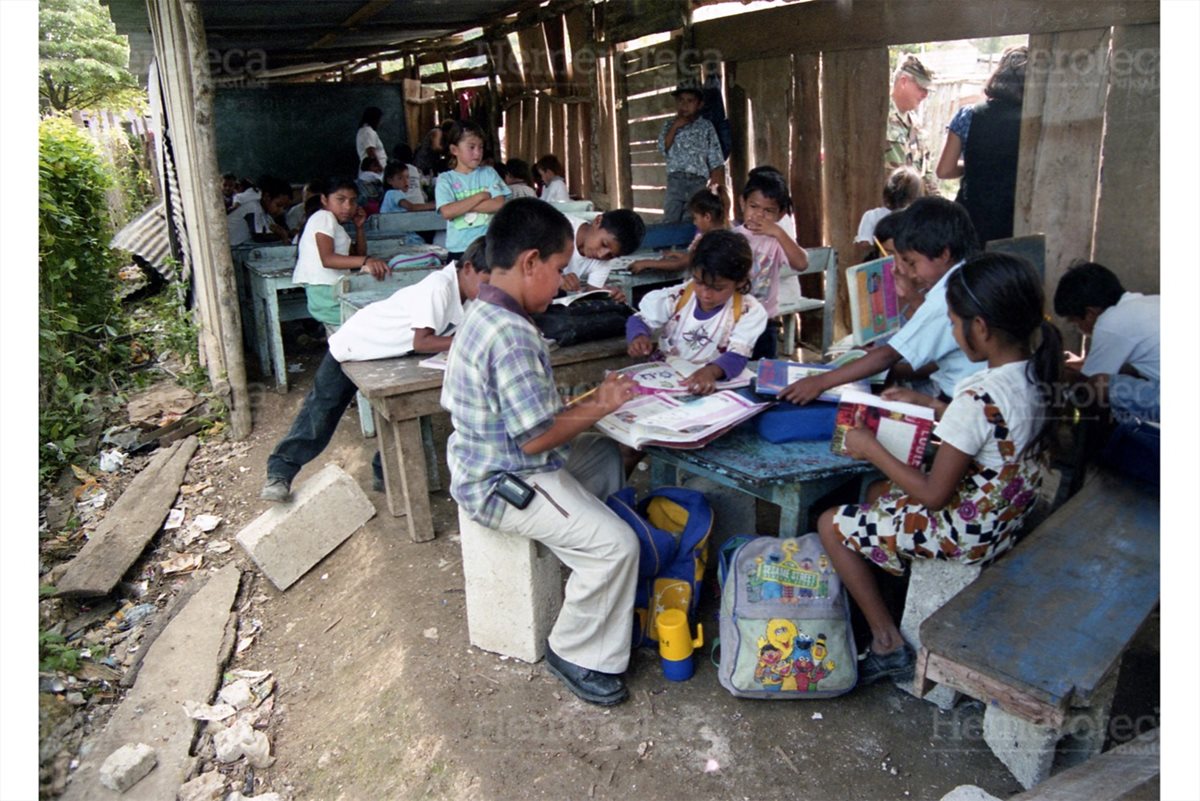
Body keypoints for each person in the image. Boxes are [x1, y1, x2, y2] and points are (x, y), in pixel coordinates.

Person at [815, 253, 1061, 684]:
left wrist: (869, 446)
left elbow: (933, 495)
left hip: (966, 533)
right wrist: (931, 404)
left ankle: (887, 641)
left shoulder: (976, 397)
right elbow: (995, 432)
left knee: (830, 523)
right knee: (875, 495)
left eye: (952, 321)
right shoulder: (1034, 375)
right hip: (1001, 519)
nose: (951, 330)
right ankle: (891, 590)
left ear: (979, 327)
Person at [440, 197, 641, 706]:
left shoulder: (484, 310)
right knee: (618, 547)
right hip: (504, 481)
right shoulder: (510, 333)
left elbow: (532, 419)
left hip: (490, 457)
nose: (561, 282)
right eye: (558, 269)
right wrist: (601, 400)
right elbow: (535, 438)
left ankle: (593, 573)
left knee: (608, 455)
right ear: (530, 262)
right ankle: (575, 650)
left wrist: (594, 411)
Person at [261, 240, 491, 502]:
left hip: (391, 355)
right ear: (469, 268)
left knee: (402, 408)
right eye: (488, 281)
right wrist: (475, 342)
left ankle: (385, 474)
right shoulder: (440, 287)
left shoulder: (468, 294)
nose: (490, 291)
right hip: (356, 346)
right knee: (321, 413)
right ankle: (280, 471)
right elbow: (423, 341)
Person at [779, 196, 983, 406]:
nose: (910, 273)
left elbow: (889, 355)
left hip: (964, 399)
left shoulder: (946, 295)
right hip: (964, 394)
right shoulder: (968, 276)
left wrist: (820, 382)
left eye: (913, 263)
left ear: (943, 255)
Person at [627, 229, 768, 395]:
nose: (705, 294)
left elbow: (737, 357)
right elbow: (639, 320)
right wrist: (638, 336)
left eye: (717, 288)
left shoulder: (748, 311)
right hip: (668, 376)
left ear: (740, 282)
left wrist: (710, 372)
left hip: (712, 383)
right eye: (699, 282)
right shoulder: (678, 297)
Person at [936, 46, 1028, 245]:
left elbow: (944, 170)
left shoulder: (968, 115)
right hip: (1016, 222)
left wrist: (977, 163)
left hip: (971, 221)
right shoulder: (1035, 122)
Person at [1053, 262, 1159, 423]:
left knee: (1099, 387)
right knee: (1126, 373)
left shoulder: (1110, 323)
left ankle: (1096, 446)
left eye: (1075, 322)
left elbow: (1089, 384)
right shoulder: (1152, 302)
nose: (1079, 328)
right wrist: (1082, 364)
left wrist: (1064, 374)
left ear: (1089, 313)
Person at [291, 177, 390, 327]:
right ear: (324, 199)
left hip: (331, 291)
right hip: (325, 293)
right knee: (375, 320)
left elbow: (356, 256)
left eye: (353, 201)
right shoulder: (323, 217)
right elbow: (328, 259)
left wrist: (359, 228)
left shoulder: (334, 224)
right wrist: (367, 260)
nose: (348, 206)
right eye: (340, 200)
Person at [732, 168, 808, 360]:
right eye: (754, 206)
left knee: (762, 375)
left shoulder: (776, 240)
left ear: (780, 214)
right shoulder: (732, 238)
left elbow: (801, 264)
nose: (759, 215)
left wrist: (779, 233)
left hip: (765, 321)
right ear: (742, 203)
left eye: (768, 211)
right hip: (732, 319)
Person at [434, 121, 512, 262]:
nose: (477, 153)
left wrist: (460, 206)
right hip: (459, 250)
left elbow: (498, 204)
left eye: (480, 147)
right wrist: (479, 196)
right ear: (454, 150)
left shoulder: (488, 173)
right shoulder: (445, 179)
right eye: (471, 147)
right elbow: (447, 212)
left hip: (487, 246)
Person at [658, 81, 727, 224]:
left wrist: (715, 183)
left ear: (700, 104)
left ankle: (689, 246)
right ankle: (666, 247)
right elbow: (662, 149)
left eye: (690, 101)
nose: (685, 105)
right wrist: (675, 127)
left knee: (693, 218)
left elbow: (715, 157)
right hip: (676, 180)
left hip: (698, 182)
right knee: (671, 216)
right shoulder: (669, 125)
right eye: (681, 100)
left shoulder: (706, 127)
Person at [628, 189, 725, 274]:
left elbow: (679, 264)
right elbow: (693, 258)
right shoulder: (723, 237)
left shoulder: (709, 242)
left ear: (707, 217)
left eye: (695, 218)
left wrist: (645, 263)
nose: (694, 223)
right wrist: (678, 254)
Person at [559, 209, 646, 300]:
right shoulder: (556, 228)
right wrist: (556, 280)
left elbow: (592, 296)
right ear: (598, 221)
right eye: (604, 244)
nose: (601, 255)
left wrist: (607, 296)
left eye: (611, 255)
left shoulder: (605, 261)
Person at [886, 54, 939, 196]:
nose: (925, 94)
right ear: (903, 82)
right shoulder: (877, 119)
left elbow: (927, 177)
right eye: (921, 88)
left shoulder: (916, 126)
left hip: (911, 211)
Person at [854, 166, 923, 265]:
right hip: (909, 267)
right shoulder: (919, 219)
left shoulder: (872, 215)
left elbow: (864, 243)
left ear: (886, 193)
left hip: (879, 266)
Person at [227, 175, 293, 247]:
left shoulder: (267, 216)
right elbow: (258, 237)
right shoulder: (253, 207)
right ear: (267, 197)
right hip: (230, 247)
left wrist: (283, 233)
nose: (281, 210)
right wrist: (282, 235)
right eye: (278, 205)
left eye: (284, 207)